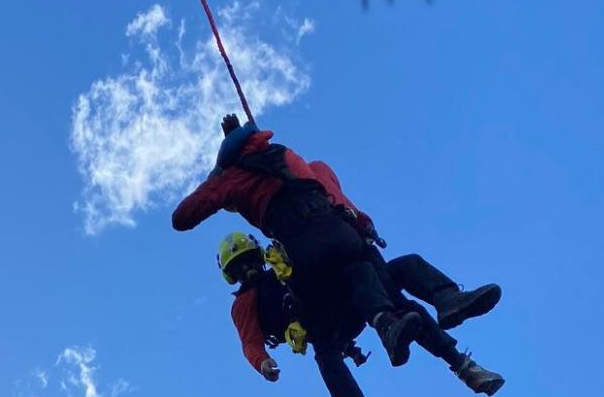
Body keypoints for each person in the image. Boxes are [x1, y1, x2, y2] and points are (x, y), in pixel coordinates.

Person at [173, 115, 502, 375]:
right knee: (390, 287)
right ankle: (447, 312)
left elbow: (183, 217)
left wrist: (218, 174)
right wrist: (363, 223)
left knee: (339, 336)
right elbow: (334, 194)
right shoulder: (295, 159)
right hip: (342, 233)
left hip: (308, 258)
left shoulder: (232, 182)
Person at [216, 230, 504, 397]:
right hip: (323, 326)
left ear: (258, 256)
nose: (249, 270)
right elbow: (250, 342)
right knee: (326, 355)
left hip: (346, 299)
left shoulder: (282, 263)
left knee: (402, 279)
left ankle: (453, 321)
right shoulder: (244, 303)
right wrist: (262, 362)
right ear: (233, 276)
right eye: (240, 268)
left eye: (250, 261)